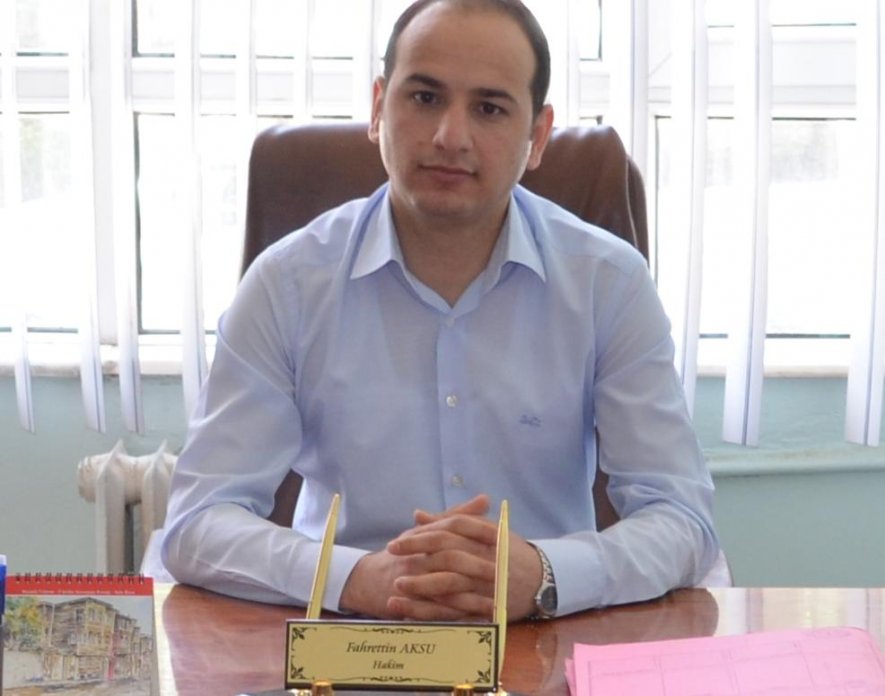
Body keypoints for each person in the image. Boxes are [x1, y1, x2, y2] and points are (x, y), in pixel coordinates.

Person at [161, 0, 719, 622]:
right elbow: (197, 522)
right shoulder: (287, 284)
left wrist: (545, 573)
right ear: (378, 108)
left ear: (537, 136)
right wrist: (354, 578)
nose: (450, 137)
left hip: (542, 633)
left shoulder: (607, 283)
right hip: (348, 635)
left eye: (489, 108)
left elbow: (683, 520)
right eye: (425, 98)